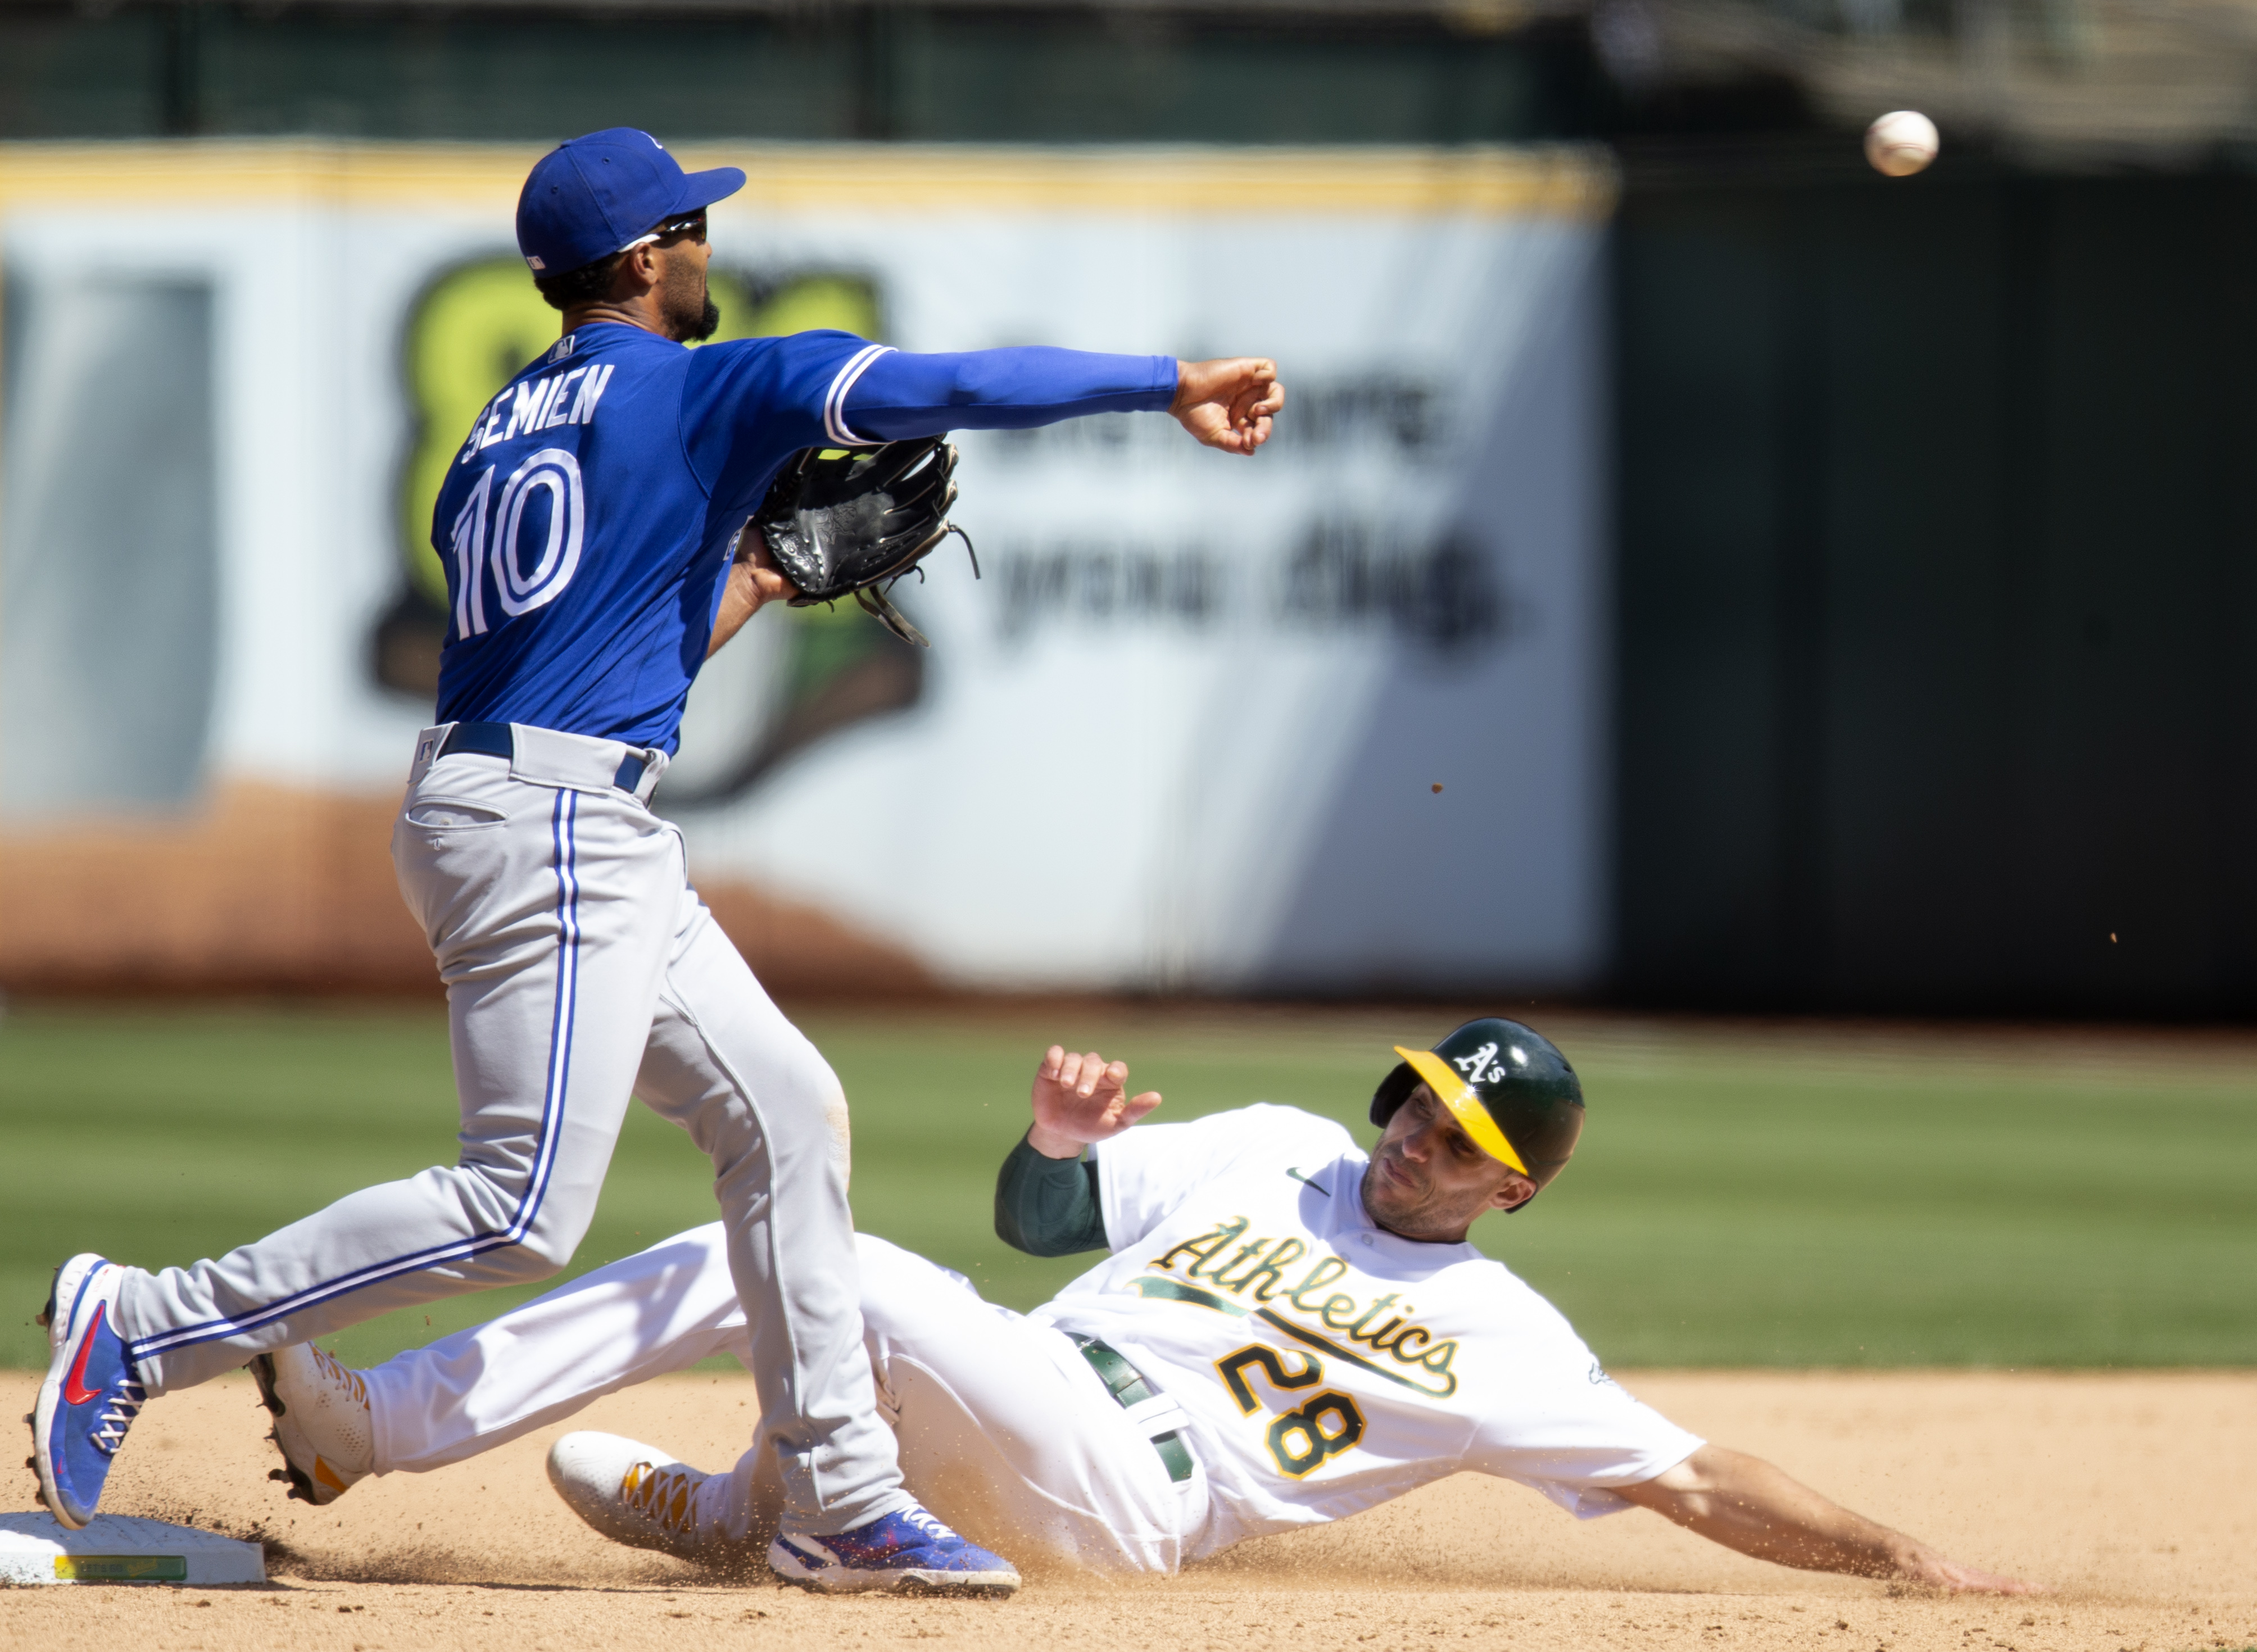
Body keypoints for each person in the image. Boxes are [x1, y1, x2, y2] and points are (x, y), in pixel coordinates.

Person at [30, 124, 1285, 1598]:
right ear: (640, 260)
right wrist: (1170, 382)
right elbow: (946, 386)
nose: (708, 244)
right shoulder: (708, 382)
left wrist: (749, 574)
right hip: (554, 828)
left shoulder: (500, 432)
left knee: (788, 1115)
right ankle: (153, 1321)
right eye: (689, 226)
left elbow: (614, 664)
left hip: (553, 805)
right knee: (518, 1204)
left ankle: (842, 1491)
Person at [249, 1022, 2036, 1594]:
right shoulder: (1273, 1148)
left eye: (1466, 1134)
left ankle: (404, 1433)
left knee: (811, 1257)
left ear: (1518, 1183)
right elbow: (1035, 1225)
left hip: (1128, 1493)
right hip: (1022, 1401)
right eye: (1419, 1098)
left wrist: (1909, 1565)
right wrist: (1051, 1140)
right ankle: (764, 1514)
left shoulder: (1510, 1337)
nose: (1421, 1136)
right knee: (832, 1277)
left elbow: (1692, 1473)